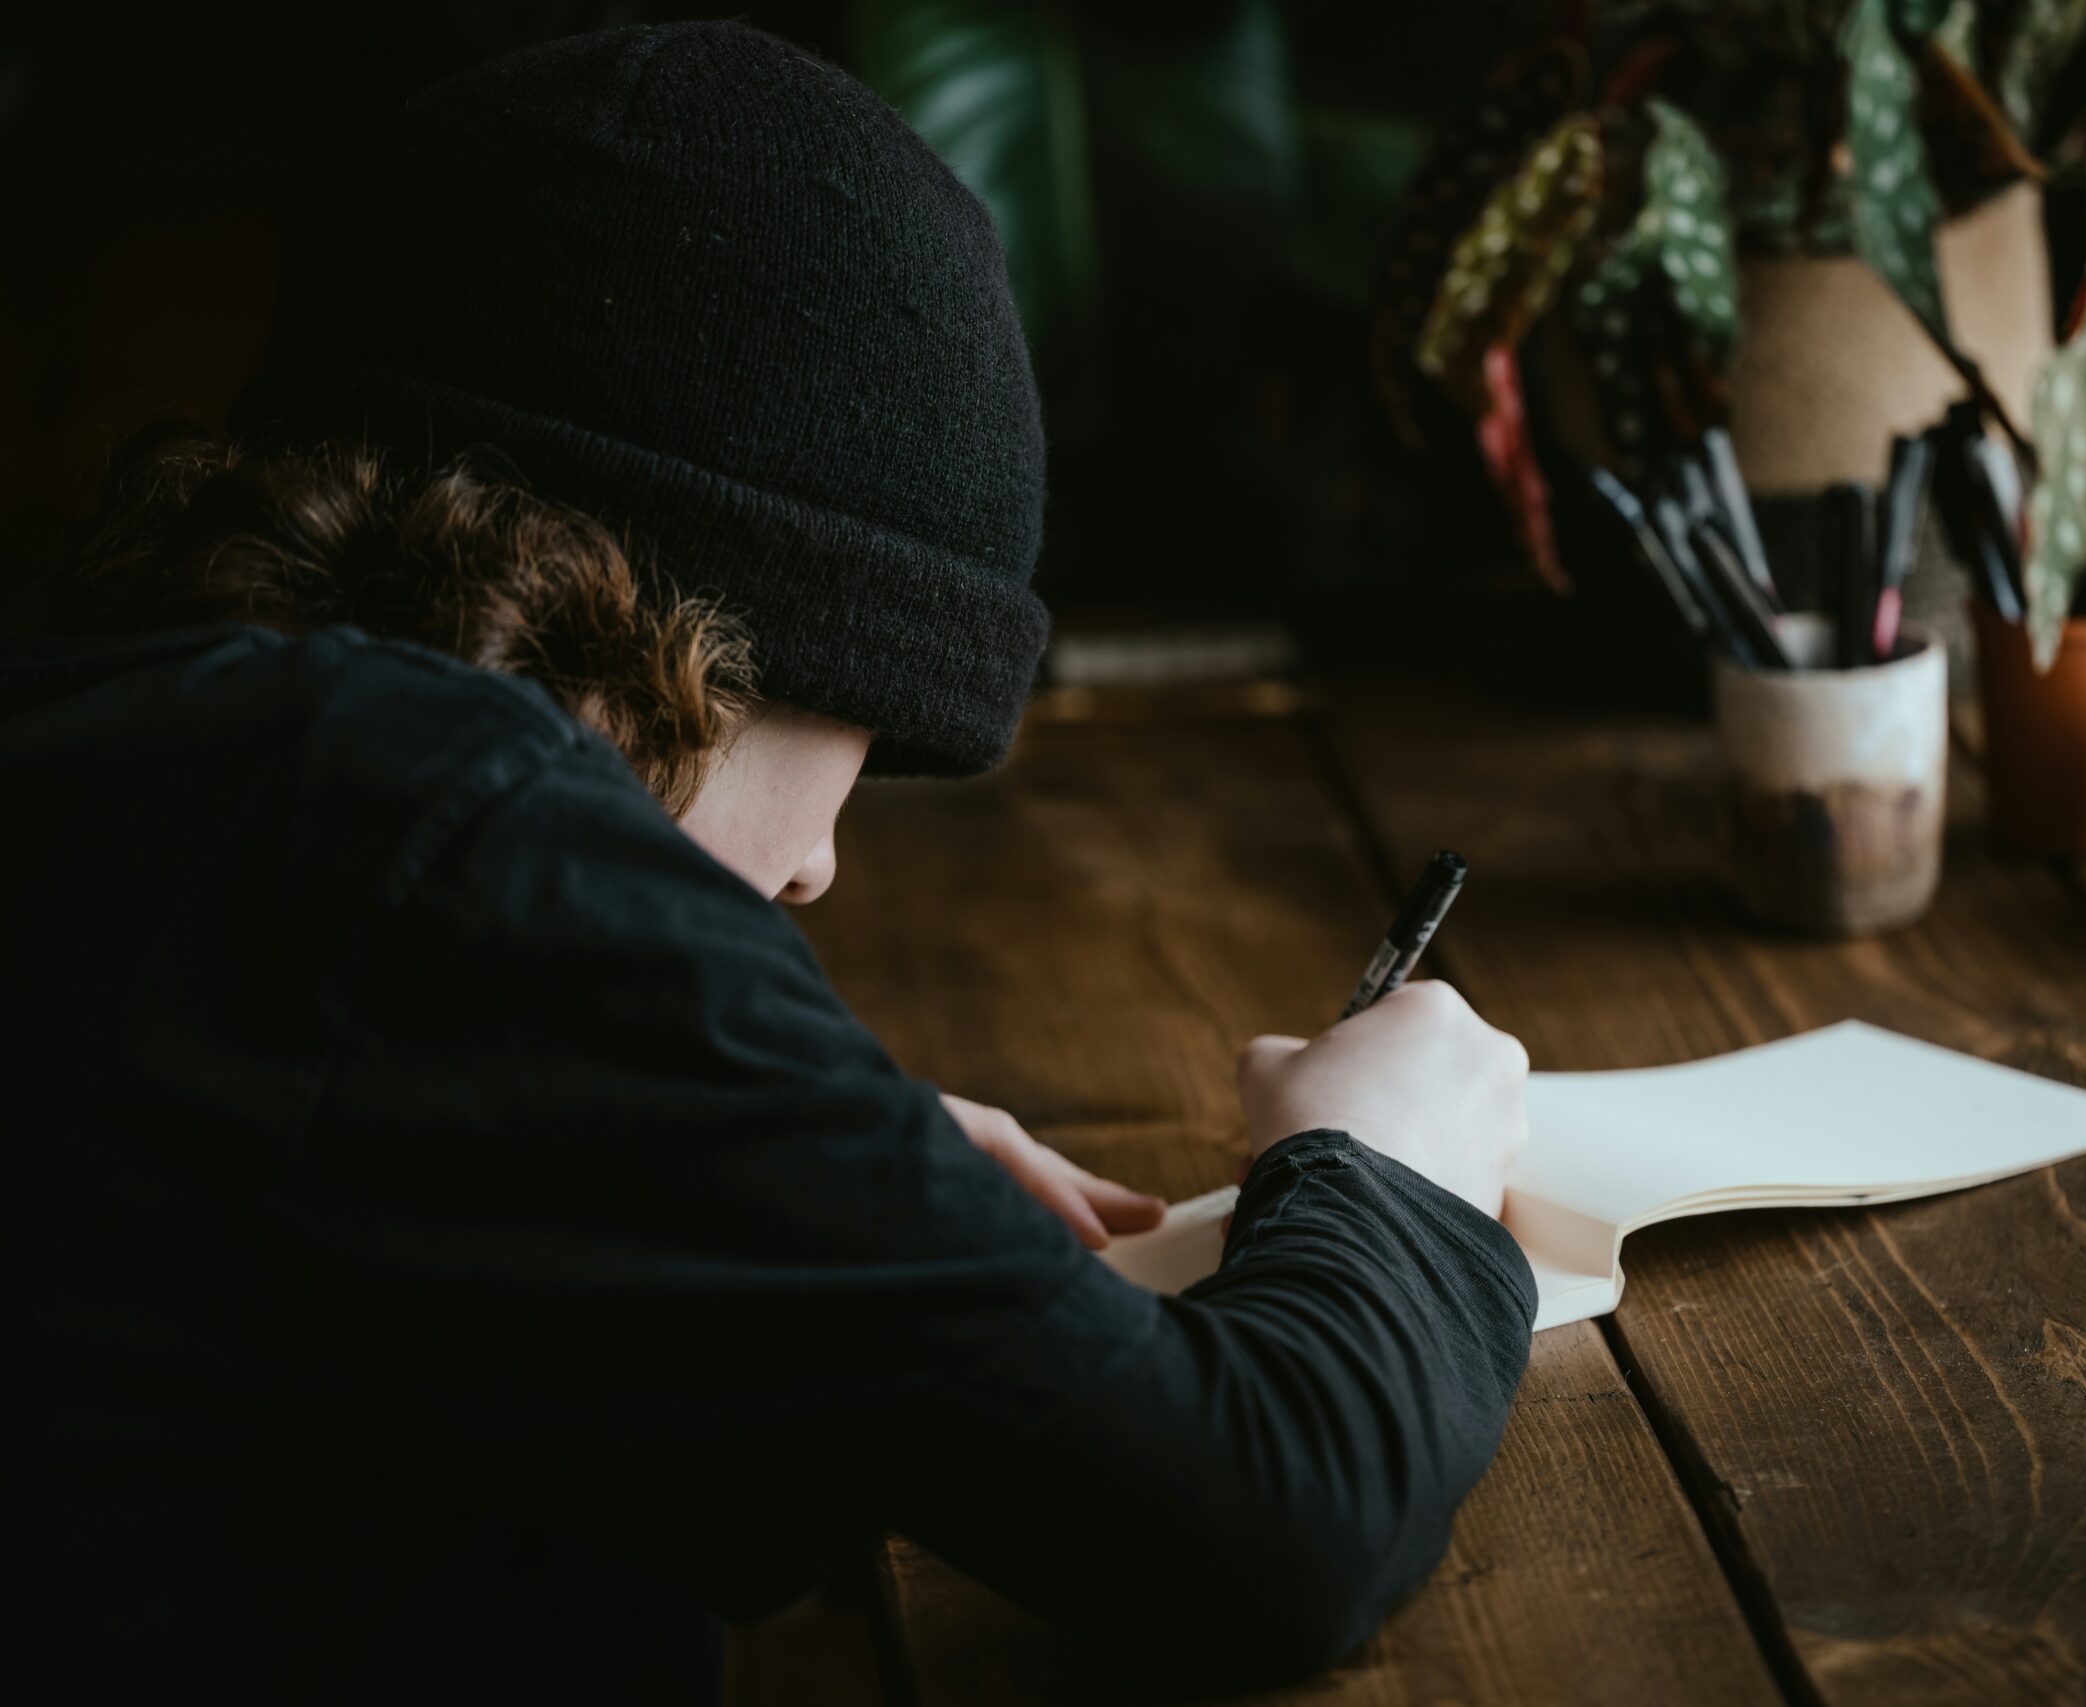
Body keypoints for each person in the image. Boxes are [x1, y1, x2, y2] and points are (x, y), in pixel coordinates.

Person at [3, 19, 1535, 1705]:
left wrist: (747, 1151)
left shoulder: (175, 770)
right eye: (870, 738)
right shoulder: (438, 836)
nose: (817, 870)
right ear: (705, 631)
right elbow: (1277, 1520)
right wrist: (1384, 1167)